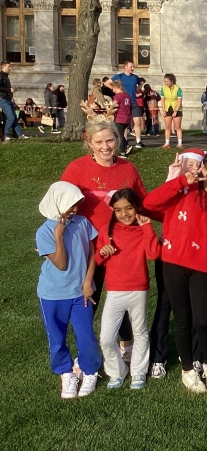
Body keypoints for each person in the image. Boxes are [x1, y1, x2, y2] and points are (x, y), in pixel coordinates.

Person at [60, 120, 149, 361]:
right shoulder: (77, 169)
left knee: (125, 294)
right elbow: (60, 201)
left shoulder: (127, 168)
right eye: (98, 141)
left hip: (123, 246)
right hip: (88, 246)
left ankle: (127, 345)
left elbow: (143, 201)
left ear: (117, 140)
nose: (105, 146)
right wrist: (51, 234)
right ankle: (86, 352)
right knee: (90, 297)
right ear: (89, 143)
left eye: (110, 140)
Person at [143, 152, 207, 394]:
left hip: (201, 265)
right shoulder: (183, 189)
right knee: (182, 319)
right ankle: (188, 371)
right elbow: (149, 203)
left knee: (202, 319)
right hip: (173, 263)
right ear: (205, 169)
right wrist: (182, 180)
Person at [36, 181, 102, 398]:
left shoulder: (83, 223)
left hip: (80, 293)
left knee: (86, 336)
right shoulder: (44, 231)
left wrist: (88, 283)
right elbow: (61, 264)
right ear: (57, 203)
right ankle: (66, 373)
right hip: (52, 295)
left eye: (77, 204)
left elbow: (92, 255)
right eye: (70, 205)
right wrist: (58, 236)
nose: (74, 209)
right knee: (57, 338)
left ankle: (90, 371)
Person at [96, 189, 160, 390]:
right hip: (115, 291)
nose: (124, 214)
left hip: (138, 289)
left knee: (140, 332)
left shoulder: (143, 229)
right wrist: (102, 252)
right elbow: (98, 258)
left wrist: (147, 227)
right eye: (118, 210)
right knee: (106, 338)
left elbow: (153, 254)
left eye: (129, 208)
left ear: (137, 208)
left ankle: (139, 371)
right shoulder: (107, 230)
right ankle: (117, 371)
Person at [105, 61, 143, 149]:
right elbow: (106, 83)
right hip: (124, 102)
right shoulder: (120, 76)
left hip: (133, 101)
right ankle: (124, 141)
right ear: (125, 67)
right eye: (131, 67)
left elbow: (140, 84)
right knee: (124, 122)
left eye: (133, 67)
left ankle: (138, 141)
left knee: (137, 121)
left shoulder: (135, 77)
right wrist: (115, 89)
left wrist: (136, 89)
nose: (133, 68)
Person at [0, 61, 27, 140]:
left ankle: (20, 135)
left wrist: (11, 95)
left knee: (14, 118)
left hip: (8, 99)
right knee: (11, 117)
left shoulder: (6, 76)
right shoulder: (1, 76)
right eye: (9, 66)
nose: (10, 68)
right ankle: (6, 134)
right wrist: (9, 90)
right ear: (3, 67)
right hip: (3, 99)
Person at [160, 73, 183, 149]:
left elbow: (179, 101)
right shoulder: (163, 88)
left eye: (167, 81)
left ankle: (180, 143)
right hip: (167, 108)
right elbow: (162, 100)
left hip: (176, 108)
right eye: (165, 81)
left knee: (177, 127)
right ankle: (167, 143)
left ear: (172, 81)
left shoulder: (178, 89)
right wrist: (163, 110)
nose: (166, 83)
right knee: (167, 126)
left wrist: (176, 111)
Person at [110, 81, 132, 155]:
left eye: (113, 88)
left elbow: (114, 106)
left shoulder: (118, 96)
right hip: (127, 117)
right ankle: (127, 145)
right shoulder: (127, 95)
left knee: (119, 136)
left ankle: (123, 152)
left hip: (120, 118)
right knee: (120, 134)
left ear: (116, 87)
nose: (113, 90)